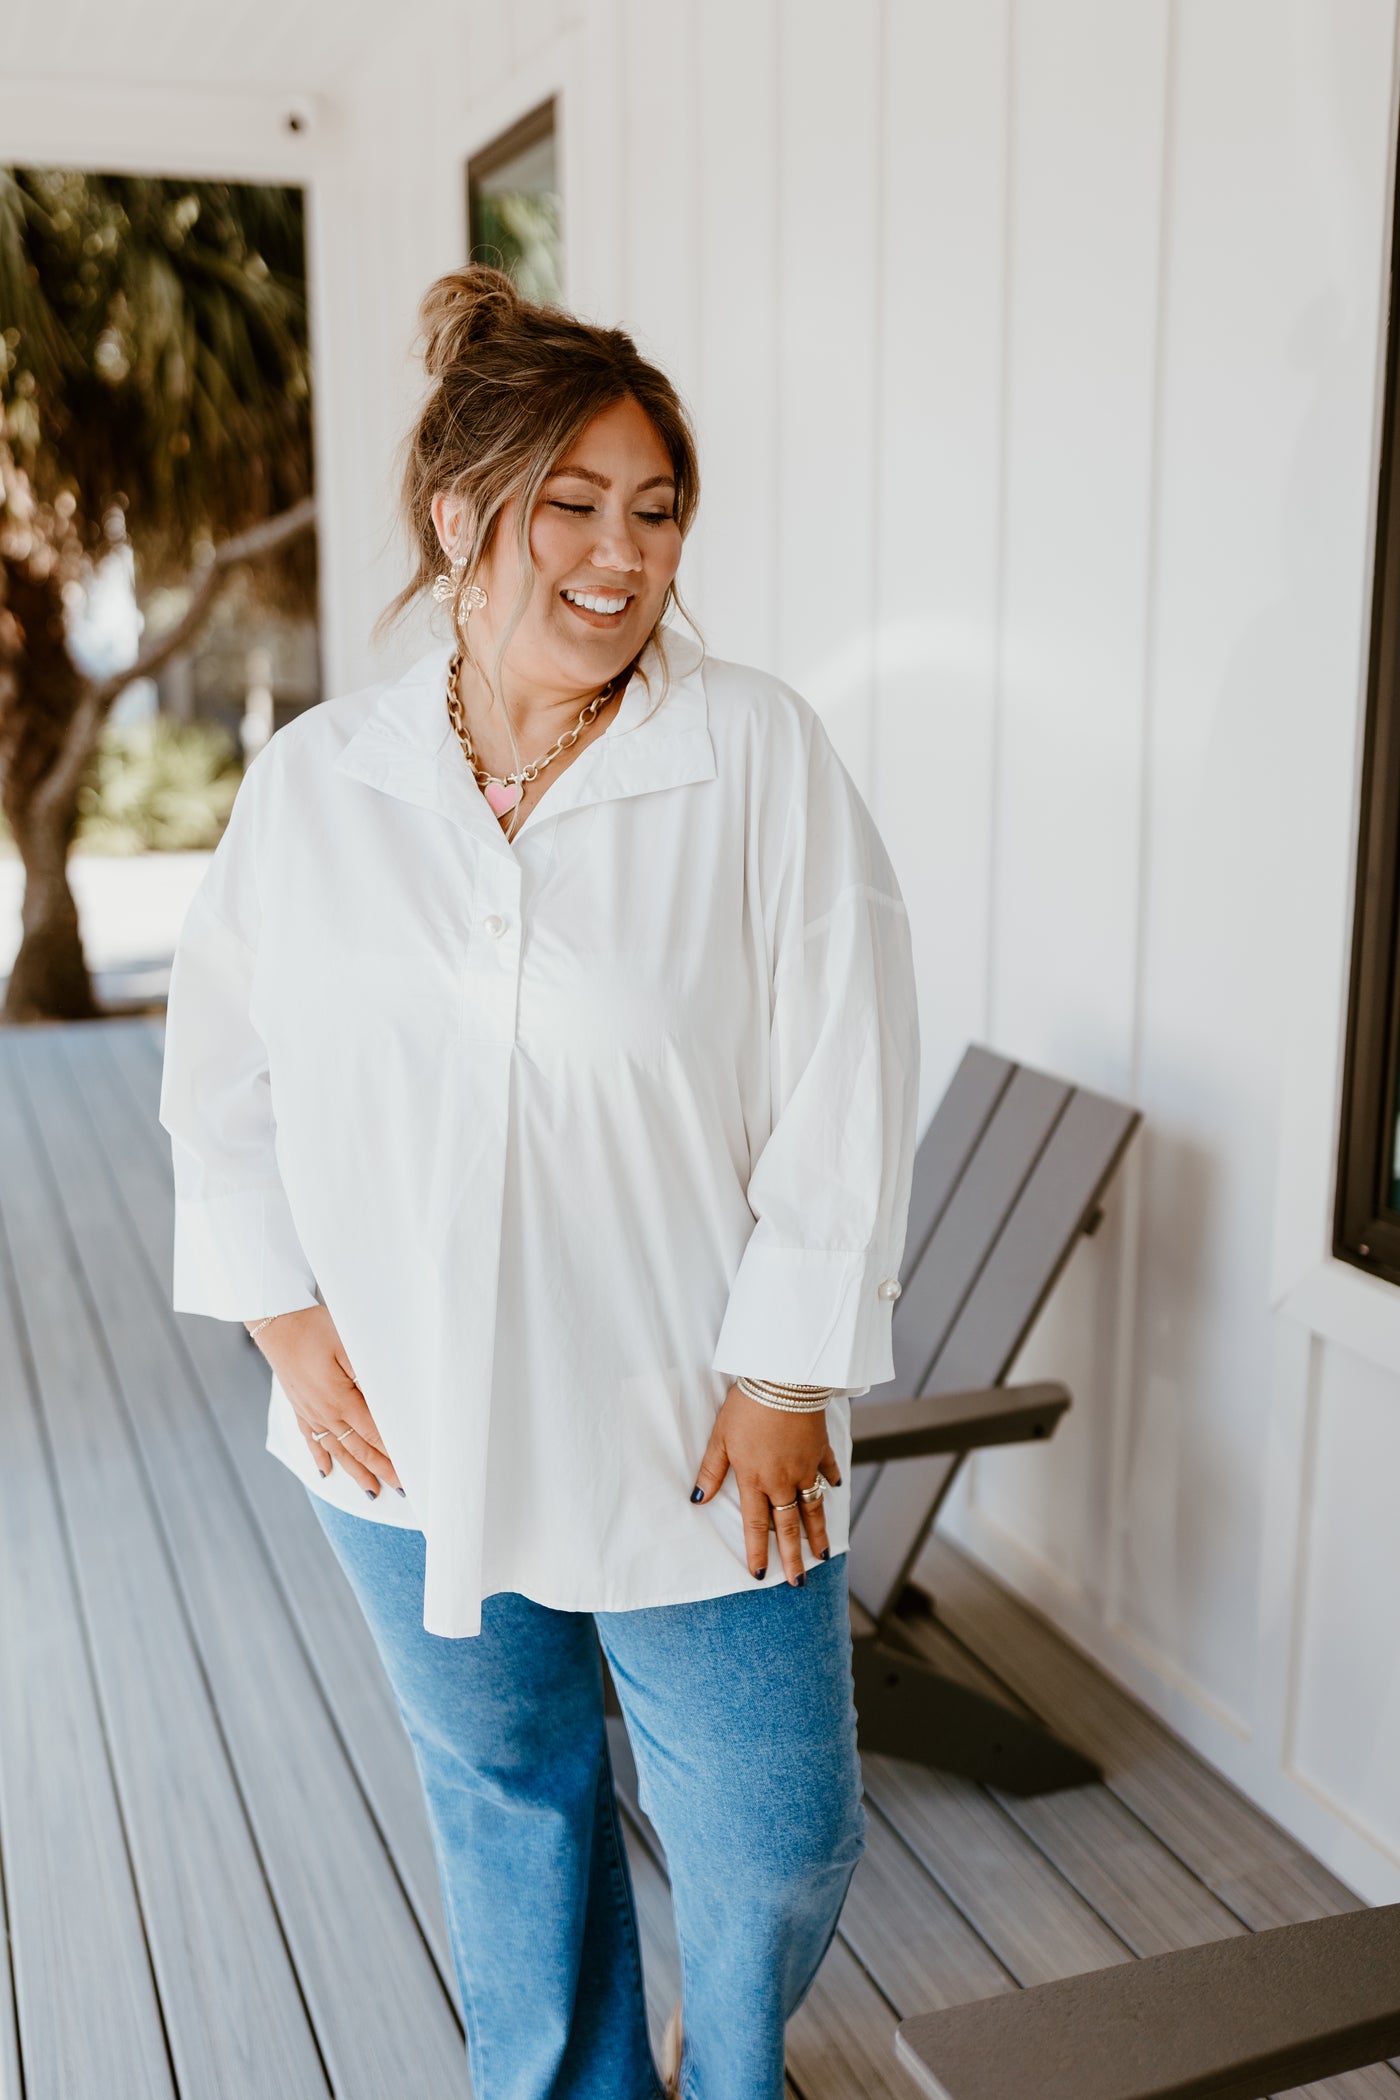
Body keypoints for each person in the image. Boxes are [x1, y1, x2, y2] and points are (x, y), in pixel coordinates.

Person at [158, 264, 921, 2100]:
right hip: (404, 1421)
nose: (620, 552)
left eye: (655, 511)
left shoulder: (751, 754)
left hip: (698, 1424)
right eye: (569, 504)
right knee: (512, 1795)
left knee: (775, 1834)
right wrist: (282, 1320)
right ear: (457, 516)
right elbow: (224, 1076)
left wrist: (785, 1375)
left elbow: (848, 1070)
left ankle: (728, 2075)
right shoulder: (319, 785)